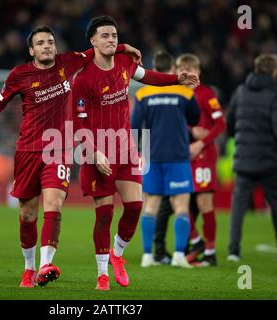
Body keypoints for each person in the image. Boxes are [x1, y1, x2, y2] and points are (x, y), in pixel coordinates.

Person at [0, 25, 142, 288]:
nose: (47, 46)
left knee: (54, 203)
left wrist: (122, 47)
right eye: (41, 43)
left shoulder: (68, 62)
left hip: (60, 149)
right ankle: (29, 268)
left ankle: (45, 265)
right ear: (31, 50)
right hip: (28, 151)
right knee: (28, 214)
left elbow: (98, 48)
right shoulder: (19, 75)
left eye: (50, 42)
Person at [72, 18, 199, 291]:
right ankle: (102, 274)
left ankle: (118, 254)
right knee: (104, 214)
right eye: (104, 35)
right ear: (92, 41)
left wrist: (177, 79)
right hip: (98, 153)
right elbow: (78, 124)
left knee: (135, 208)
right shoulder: (82, 78)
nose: (111, 39)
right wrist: (93, 153)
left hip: (125, 149)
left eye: (114, 35)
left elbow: (149, 76)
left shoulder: (125, 64)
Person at [131, 51, 200, 269]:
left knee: (150, 205)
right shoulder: (184, 93)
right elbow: (195, 118)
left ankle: (147, 256)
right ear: (172, 69)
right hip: (178, 155)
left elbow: (134, 126)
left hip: (152, 156)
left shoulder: (142, 94)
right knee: (180, 205)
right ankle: (180, 254)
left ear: (153, 69)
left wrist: (139, 151)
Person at [227, 53, 277, 262]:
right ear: (273, 71)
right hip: (269, 160)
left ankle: (233, 251)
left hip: (244, 158)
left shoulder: (241, 91)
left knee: (238, 206)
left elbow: (230, 121)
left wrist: (237, 138)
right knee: (275, 204)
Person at [175, 53, 226, 267]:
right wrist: (189, 131)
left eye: (192, 71)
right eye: (184, 71)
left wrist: (200, 143)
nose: (189, 75)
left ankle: (211, 253)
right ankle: (197, 244)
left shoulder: (206, 94)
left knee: (204, 203)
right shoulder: (176, 94)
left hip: (202, 156)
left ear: (199, 72)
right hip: (180, 155)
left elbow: (220, 124)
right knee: (178, 202)